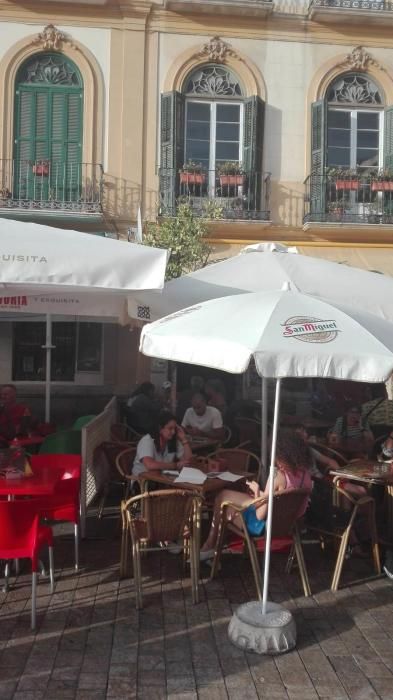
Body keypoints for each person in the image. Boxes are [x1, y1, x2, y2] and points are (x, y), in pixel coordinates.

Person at [199, 430, 312, 561]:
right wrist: (260, 495)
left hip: (262, 527)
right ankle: (211, 548)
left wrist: (257, 491)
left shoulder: (277, 476)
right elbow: (281, 500)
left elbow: (259, 515)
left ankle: (210, 547)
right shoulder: (305, 475)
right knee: (224, 495)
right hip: (287, 524)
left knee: (223, 506)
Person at [132, 410, 193, 477]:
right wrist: (175, 465)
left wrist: (184, 439)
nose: (173, 432)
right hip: (141, 482)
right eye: (170, 428)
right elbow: (150, 465)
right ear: (160, 428)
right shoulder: (147, 441)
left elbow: (188, 462)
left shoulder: (172, 441)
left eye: (174, 429)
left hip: (161, 480)